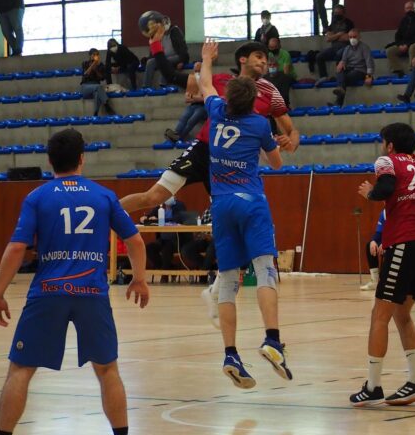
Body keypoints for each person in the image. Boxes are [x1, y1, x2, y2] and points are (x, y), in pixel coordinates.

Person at [0, 128, 150, 435]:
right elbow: (135, 240)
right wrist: (139, 279)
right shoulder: (104, 196)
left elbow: (17, 247)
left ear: (50, 161)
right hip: (92, 293)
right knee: (107, 369)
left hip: (47, 291)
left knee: (20, 370)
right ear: (82, 158)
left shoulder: (38, 196)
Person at [119, 42, 299, 301]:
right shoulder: (222, 80)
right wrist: (171, 49)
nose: (264, 61)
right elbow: (180, 79)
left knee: (229, 227)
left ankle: (217, 291)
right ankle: (107, 213)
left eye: (266, 57)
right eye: (259, 56)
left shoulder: (270, 90)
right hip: (203, 150)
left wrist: (290, 140)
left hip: (231, 166)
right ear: (243, 59)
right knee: (154, 197)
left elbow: (291, 130)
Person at [197, 41, 290, 389]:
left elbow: (205, 84)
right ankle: (272, 339)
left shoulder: (217, 111)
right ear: (253, 102)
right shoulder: (259, 124)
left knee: (229, 281)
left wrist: (206, 59)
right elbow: (277, 164)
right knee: (265, 269)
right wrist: (274, 146)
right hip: (250, 201)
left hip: (221, 206)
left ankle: (231, 353)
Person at [349, 122, 415, 407]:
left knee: (379, 315)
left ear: (390, 145)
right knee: (401, 314)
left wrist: (370, 193)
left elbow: (385, 189)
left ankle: (373, 386)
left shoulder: (387, 161)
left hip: (405, 243)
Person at [139, 197, 189, 277]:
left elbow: (178, 219)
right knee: (149, 248)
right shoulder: (159, 206)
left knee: (166, 248)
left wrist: (160, 220)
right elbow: (150, 216)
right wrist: (145, 218)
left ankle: (164, 276)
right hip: (162, 239)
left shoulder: (179, 205)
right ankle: (170, 269)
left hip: (177, 240)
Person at [138, 11, 189, 88]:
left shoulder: (174, 31)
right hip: (164, 57)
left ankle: (163, 84)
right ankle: (146, 86)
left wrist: (182, 61)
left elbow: (183, 48)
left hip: (177, 56)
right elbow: (154, 51)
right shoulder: (157, 34)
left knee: (164, 61)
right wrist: (146, 59)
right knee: (150, 62)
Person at [386, 1, 415, 76]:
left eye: (411, 8)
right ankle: (398, 70)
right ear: (405, 9)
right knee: (390, 51)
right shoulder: (404, 20)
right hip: (405, 44)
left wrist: (407, 45)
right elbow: (398, 35)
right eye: (407, 8)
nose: (409, 10)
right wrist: (400, 44)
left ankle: (413, 69)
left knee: (413, 47)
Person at [165, 62, 207, 143]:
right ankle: (175, 137)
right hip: (193, 105)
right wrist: (197, 98)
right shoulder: (192, 80)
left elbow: (206, 99)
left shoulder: (208, 81)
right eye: (195, 70)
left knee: (192, 119)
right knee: (183, 118)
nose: (197, 72)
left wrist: (194, 97)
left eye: (198, 70)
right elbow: (187, 99)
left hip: (204, 107)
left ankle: (178, 137)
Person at [332, 29, 374, 107]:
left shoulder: (364, 48)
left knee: (343, 79)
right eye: (350, 37)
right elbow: (343, 61)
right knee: (340, 71)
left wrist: (369, 77)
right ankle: (340, 89)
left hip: (360, 71)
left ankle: (338, 102)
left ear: (359, 37)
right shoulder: (347, 49)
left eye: (354, 37)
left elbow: (369, 63)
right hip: (349, 69)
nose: (352, 39)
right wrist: (341, 63)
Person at [314, 4, 355, 82]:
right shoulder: (333, 24)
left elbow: (348, 38)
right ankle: (323, 76)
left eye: (338, 13)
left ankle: (339, 78)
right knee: (319, 56)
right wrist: (339, 34)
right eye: (335, 13)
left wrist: (334, 37)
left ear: (343, 13)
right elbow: (328, 38)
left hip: (345, 48)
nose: (336, 15)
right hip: (334, 48)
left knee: (339, 54)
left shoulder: (349, 23)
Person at [80, 47, 115, 117]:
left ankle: (95, 113)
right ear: (90, 56)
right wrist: (93, 64)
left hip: (96, 86)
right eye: (94, 54)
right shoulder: (85, 63)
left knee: (97, 93)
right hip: (85, 86)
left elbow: (102, 78)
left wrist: (96, 69)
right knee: (98, 87)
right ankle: (106, 105)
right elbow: (86, 74)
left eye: (97, 54)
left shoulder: (101, 66)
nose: (96, 56)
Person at [265, 34, 295, 105]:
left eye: (275, 47)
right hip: (274, 75)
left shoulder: (285, 54)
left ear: (279, 46)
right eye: (271, 47)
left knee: (283, 80)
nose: (273, 49)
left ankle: (285, 104)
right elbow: (266, 70)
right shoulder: (268, 54)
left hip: (287, 76)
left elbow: (286, 72)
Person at [361, 209, 386, 293]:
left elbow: (398, 231)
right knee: (370, 246)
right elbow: (379, 232)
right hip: (387, 240)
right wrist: (373, 240)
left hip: (399, 240)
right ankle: (374, 281)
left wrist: (386, 242)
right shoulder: (384, 212)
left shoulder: (400, 211)